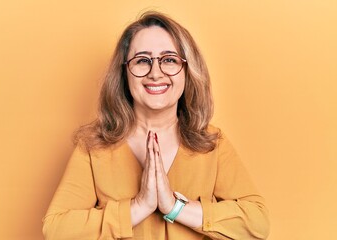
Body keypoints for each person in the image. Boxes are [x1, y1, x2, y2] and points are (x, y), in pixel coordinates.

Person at [42, 11, 270, 240]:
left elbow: (257, 224)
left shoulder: (211, 143)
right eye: (142, 60)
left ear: (188, 70)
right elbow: (56, 230)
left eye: (169, 60)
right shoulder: (93, 144)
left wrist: (174, 207)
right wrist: (139, 206)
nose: (156, 73)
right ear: (124, 72)